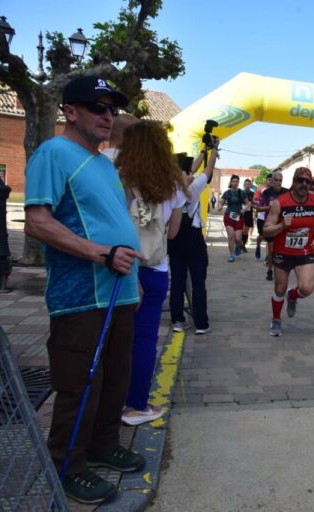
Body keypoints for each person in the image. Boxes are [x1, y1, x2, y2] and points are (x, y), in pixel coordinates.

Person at [24, 76, 145, 504]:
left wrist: (131, 279)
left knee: (115, 378)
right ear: (70, 111)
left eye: (112, 108)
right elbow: (38, 221)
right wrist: (100, 254)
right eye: (98, 107)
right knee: (81, 381)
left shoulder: (101, 162)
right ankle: (66, 463)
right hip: (83, 295)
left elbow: (114, 222)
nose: (108, 115)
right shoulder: (54, 153)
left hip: (119, 291)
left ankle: (102, 444)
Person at [115, 120, 188, 426]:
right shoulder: (173, 185)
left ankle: (109, 403)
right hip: (154, 268)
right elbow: (172, 234)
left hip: (117, 265)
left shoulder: (117, 176)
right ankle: (136, 406)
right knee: (144, 339)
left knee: (114, 337)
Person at [263, 167, 314, 336]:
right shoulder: (280, 202)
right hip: (283, 252)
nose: (304, 184)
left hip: (304, 252)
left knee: (307, 288)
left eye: (307, 181)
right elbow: (266, 230)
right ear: (294, 182)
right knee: (279, 289)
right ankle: (276, 319)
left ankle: (294, 296)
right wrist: (282, 225)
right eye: (300, 180)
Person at [168, 139, 218, 335]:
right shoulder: (193, 187)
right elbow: (207, 171)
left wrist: (204, 150)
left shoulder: (168, 185)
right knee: (198, 280)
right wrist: (213, 152)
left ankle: (178, 320)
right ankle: (201, 322)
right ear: (187, 171)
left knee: (178, 279)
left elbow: (191, 168)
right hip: (193, 237)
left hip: (173, 235)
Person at [255, 171, 288, 281]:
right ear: (272, 181)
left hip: (283, 224)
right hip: (270, 224)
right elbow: (259, 207)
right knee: (272, 248)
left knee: (282, 249)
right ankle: (270, 270)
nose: (278, 183)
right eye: (276, 180)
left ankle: (281, 269)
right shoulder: (266, 193)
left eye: (280, 180)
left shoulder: (286, 192)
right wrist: (270, 207)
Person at [219, 175, 248, 262]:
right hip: (228, 216)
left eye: (236, 182)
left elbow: (248, 203)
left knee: (238, 238)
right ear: (231, 182)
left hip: (239, 217)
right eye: (234, 181)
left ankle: (238, 246)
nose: (235, 183)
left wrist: (244, 209)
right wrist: (220, 206)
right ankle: (231, 255)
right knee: (231, 236)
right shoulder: (227, 193)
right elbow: (221, 202)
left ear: (238, 183)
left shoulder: (241, 192)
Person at [241, 178, 255, 252]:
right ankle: (239, 244)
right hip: (242, 214)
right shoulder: (241, 192)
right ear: (243, 185)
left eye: (249, 184)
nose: (247, 185)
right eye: (246, 184)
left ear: (251, 185)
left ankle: (243, 245)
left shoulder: (253, 194)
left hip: (249, 213)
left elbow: (255, 203)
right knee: (242, 230)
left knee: (246, 231)